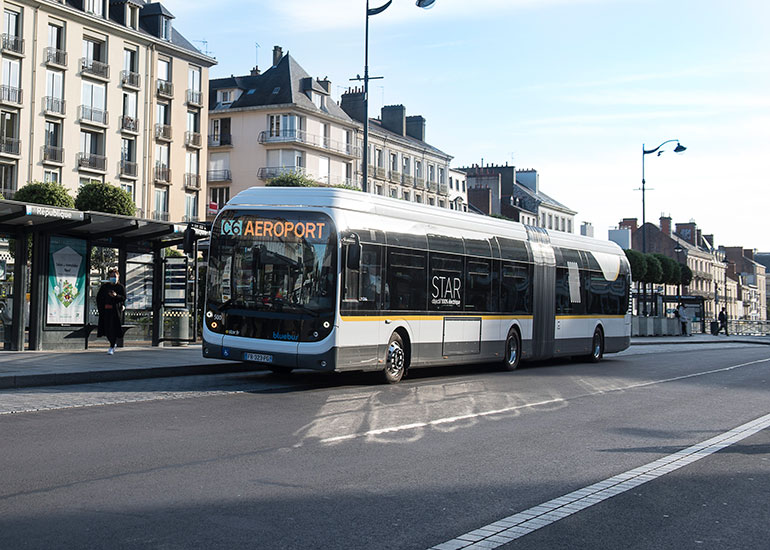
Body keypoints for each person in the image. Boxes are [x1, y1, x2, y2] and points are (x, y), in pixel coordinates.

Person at [97, 268, 126, 355]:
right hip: (106, 311)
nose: (114, 278)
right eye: (112, 276)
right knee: (106, 328)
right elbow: (99, 298)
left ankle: (112, 346)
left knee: (113, 328)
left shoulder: (120, 287)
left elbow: (123, 297)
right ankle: (112, 342)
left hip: (115, 311)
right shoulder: (105, 287)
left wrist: (116, 296)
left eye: (115, 276)